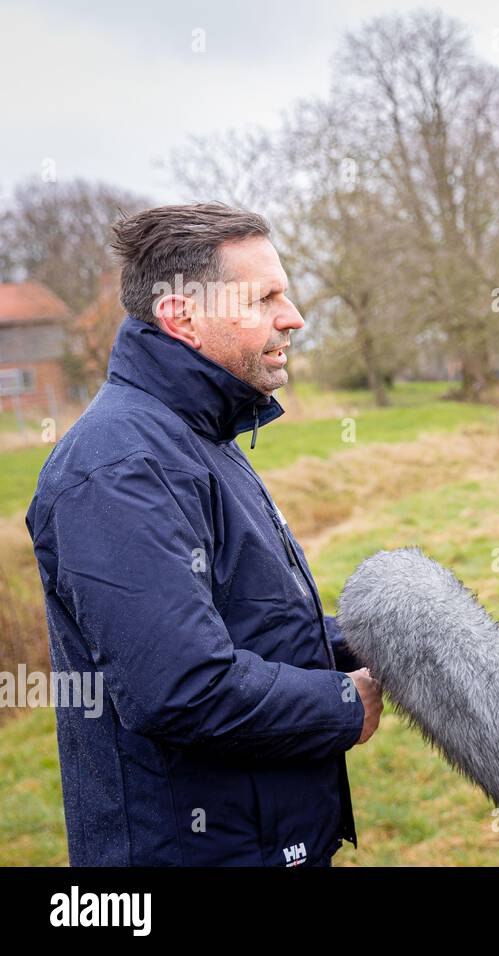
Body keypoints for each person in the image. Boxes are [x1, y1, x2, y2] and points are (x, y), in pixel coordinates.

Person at [26, 203, 383, 867]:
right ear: (182, 316)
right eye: (265, 297)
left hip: (269, 844)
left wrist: (385, 641)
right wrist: (343, 704)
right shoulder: (117, 467)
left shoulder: (200, 438)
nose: (293, 316)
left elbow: (252, 625)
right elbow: (183, 687)